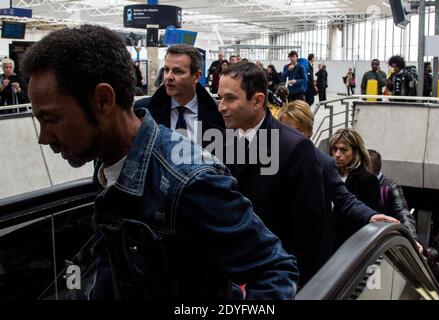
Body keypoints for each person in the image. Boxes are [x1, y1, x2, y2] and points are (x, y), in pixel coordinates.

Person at [22, 25, 299, 300]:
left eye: (51, 119)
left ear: (103, 101)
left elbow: (275, 269)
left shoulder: (189, 180)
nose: (44, 138)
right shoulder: (107, 167)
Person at [218, 61, 327, 285]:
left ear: (258, 100)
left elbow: (310, 234)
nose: (221, 106)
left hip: (273, 280)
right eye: (220, 97)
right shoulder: (222, 141)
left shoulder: (295, 149)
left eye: (230, 98)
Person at [278, 101, 398, 252]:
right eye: (284, 131)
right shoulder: (268, 160)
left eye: (295, 132)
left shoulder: (325, 165)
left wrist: (371, 216)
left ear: (308, 132)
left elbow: (345, 200)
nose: (337, 154)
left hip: (318, 251)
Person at [135, 44, 224, 149]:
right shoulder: (144, 111)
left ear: (196, 76)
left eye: (177, 71)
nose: (169, 76)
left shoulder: (219, 114)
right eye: (166, 70)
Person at [329, 128, 382, 246]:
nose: (337, 154)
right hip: (326, 244)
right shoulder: (328, 174)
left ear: (355, 152)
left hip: (350, 246)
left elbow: (370, 220)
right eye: (335, 149)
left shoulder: (367, 180)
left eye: (343, 150)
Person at [367, 149, 423, 253]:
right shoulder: (357, 183)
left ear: (368, 167)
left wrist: (412, 239)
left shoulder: (389, 187)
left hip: (380, 243)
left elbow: (403, 213)